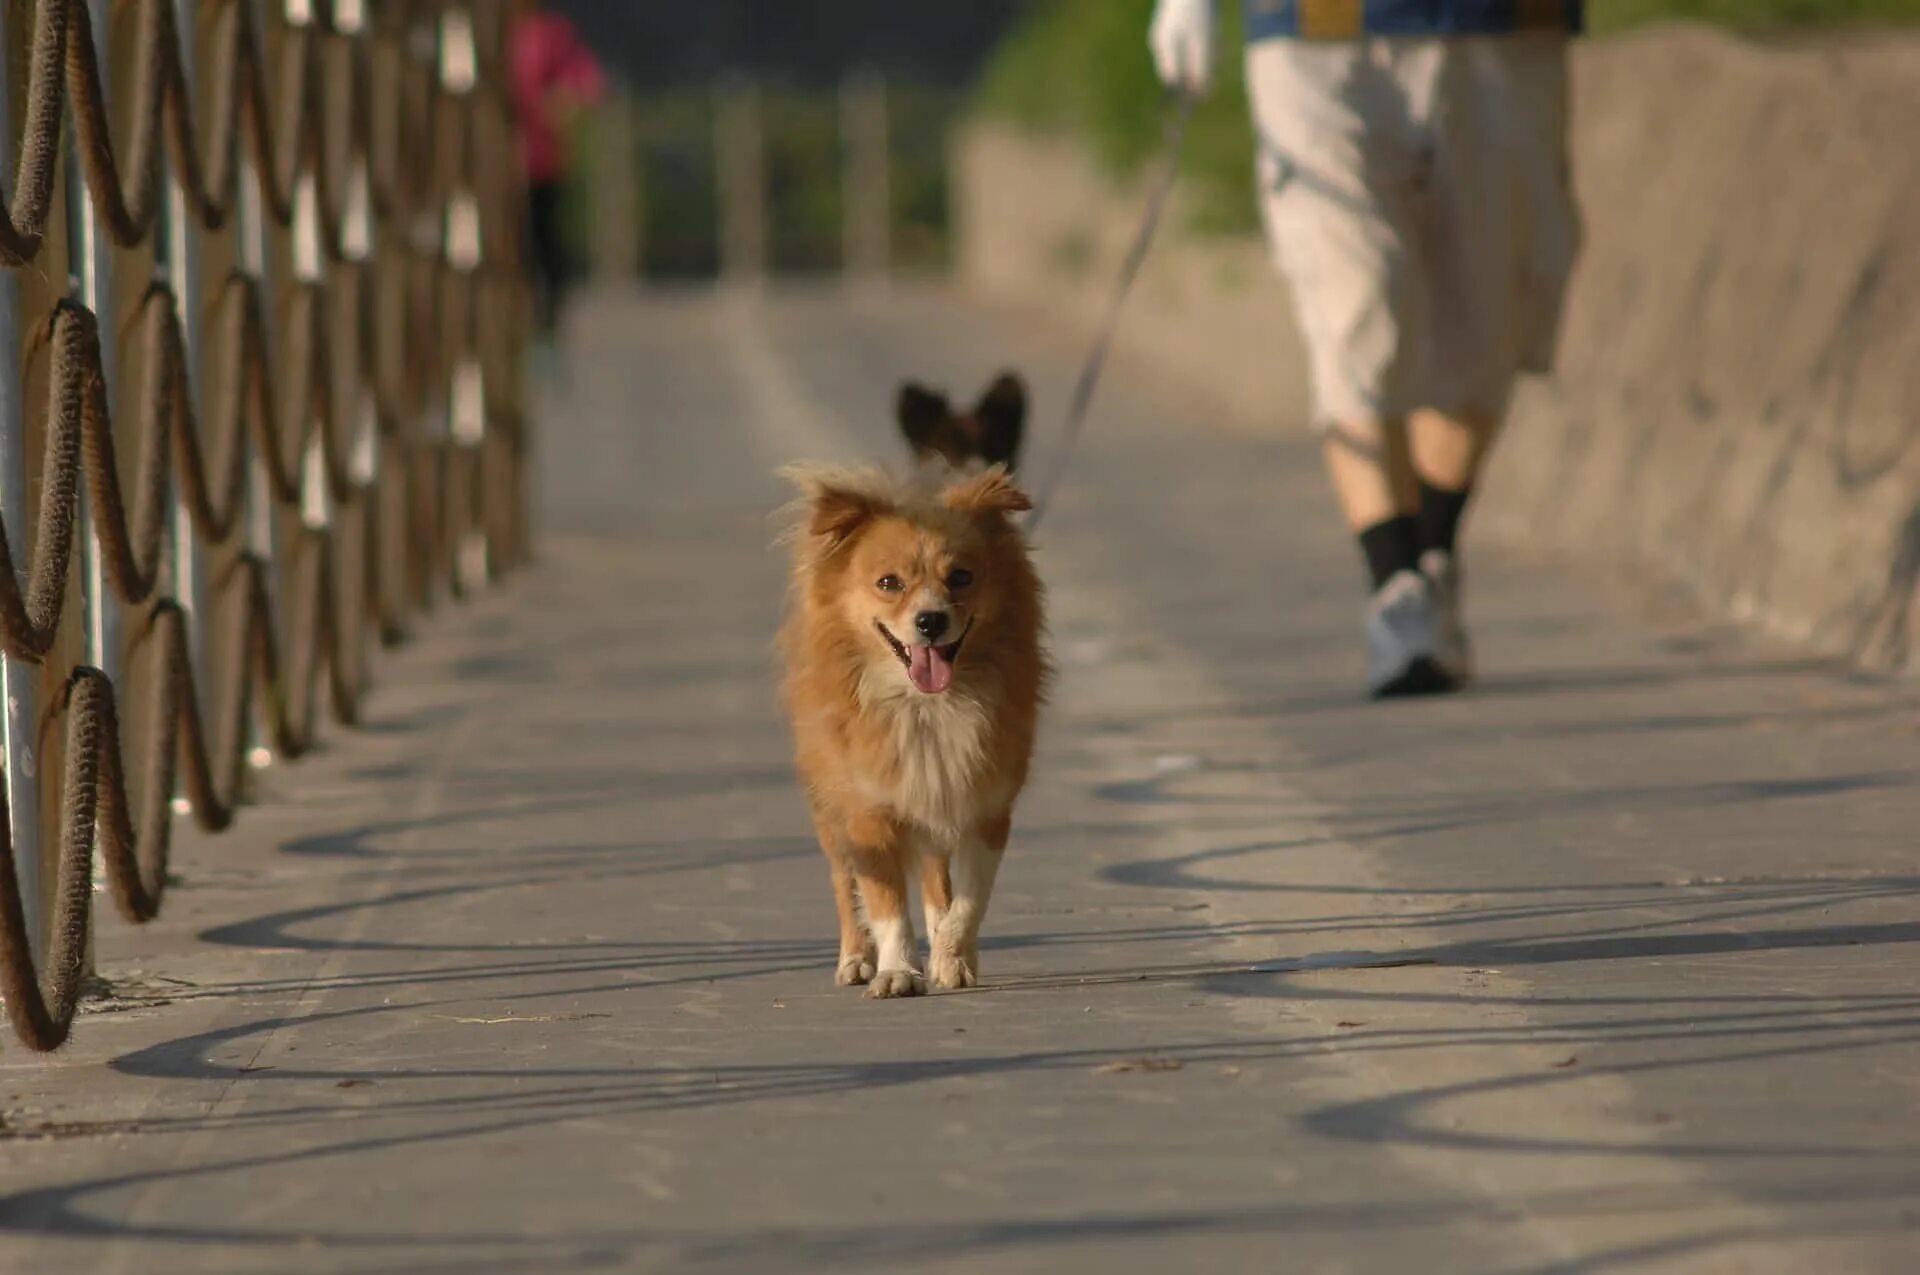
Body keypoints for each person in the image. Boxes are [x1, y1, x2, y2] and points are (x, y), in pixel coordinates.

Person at [1148, 0, 1583, 697]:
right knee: (1355, 297)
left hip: (1504, 28)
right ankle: (1396, 589)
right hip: (1314, 35)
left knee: (1486, 325)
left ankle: (1431, 555)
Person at [508, 1, 607, 343]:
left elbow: (587, 79)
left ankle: (547, 315)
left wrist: (562, 101)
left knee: (544, 237)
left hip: (541, 158)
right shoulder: (498, 33)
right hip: (503, 165)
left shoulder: (549, 33)